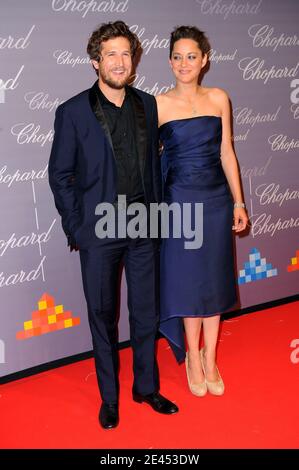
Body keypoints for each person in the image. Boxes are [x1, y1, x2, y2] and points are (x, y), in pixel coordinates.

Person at [48, 20, 178, 429]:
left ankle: (146, 387)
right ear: (95, 62)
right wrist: (78, 228)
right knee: (102, 316)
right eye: (111, 55)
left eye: (126, 53)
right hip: (99, 232)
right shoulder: (71, 112)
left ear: (133, 60)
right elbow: (60, 175)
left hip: (144, 226)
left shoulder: (148, 104)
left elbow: (157, 165)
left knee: (145, 312)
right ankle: (110, 397)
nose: (119, 62)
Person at [156, 26, 248, 397]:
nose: (184, 63)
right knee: (188, 282)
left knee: (214, 279)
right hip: (179, 203)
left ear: (205, 59)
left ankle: (211, 358)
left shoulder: (219, 97)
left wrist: (239, 202)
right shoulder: (158, 104)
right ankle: (192, 358)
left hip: (215, 201)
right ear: (169, 62)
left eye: (191, 56)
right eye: (177, 56)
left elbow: (227, 151)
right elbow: (151, 160)